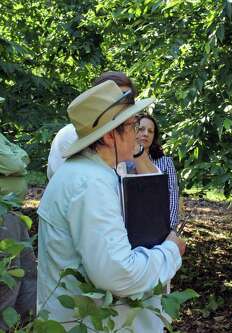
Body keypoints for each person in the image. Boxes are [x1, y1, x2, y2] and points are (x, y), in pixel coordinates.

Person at [37, 81, 186, 332]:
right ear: (109, 135)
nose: (138, 133)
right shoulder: (90, 183)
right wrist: (171, 251)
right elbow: (117, 274)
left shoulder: (86, 173)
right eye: (131, 126)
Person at [46, 71, 151, 179]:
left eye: (129, 98)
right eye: (118, 98)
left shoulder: (126, 132)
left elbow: (154, 179)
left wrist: (135, 146)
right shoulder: (68, 136)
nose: (124, 104)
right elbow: (66, 182)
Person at [0, 96, 36, 330]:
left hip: (14, 214)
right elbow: (15, 163)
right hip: (3, 217)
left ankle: (26, 325)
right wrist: (16, 161)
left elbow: (22, 157)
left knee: (28, 274)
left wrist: (17, 160)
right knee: (8, 281)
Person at [128, 114, 180, 229]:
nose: (146, 133)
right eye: (141, 129)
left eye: (150, 131)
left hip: (158, 225)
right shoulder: (121, 161)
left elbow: (172, 197)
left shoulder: (166, 162)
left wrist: (170, 229)